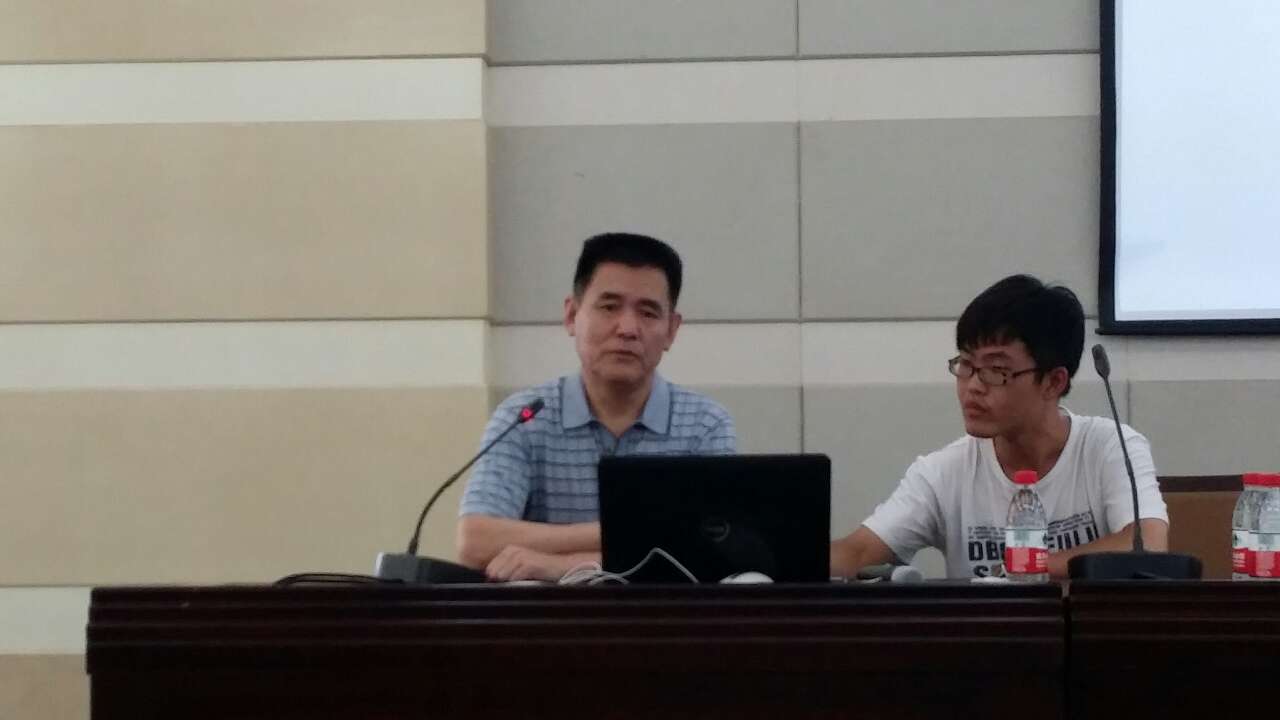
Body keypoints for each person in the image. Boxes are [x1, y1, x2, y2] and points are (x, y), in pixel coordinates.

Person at [830, 274, 1169, 579]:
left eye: (996, 370)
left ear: (1053, 382)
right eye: (966, 364)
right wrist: (800, 560)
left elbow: (1147, 545)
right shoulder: (944, 472)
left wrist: (1026, 567)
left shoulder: (1111, 447)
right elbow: (858, 552)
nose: (973, 386)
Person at [458, 232, 737, 581]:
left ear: (671, 330)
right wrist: (630, 533)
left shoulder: (704, 425)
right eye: (609, 307)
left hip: (662, 615)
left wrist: (563, 565)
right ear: (571, 316)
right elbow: (475, 543)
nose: (628, 328)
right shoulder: (525, 418)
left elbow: (712, 550)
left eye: (648, 312)